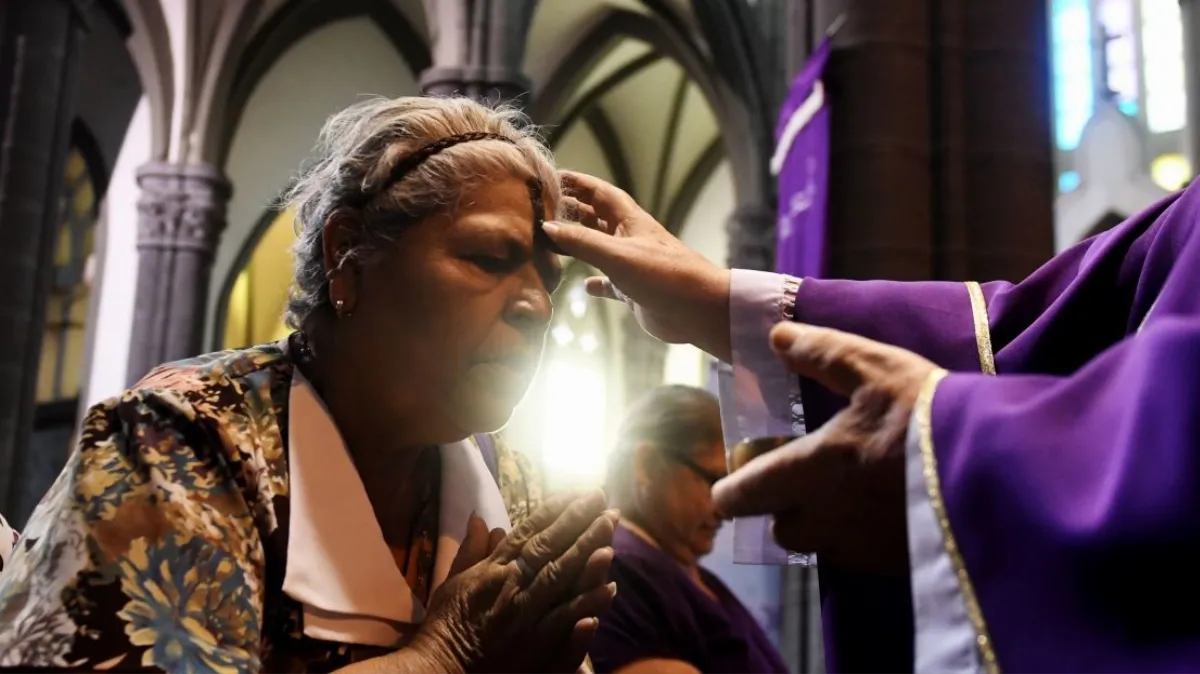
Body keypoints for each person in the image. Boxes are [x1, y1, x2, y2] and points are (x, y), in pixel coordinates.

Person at [0, 98, 620, 674]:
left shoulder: (520, 495)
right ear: (346, 252)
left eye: (549, 283)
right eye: (489, 257)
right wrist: (444, 655)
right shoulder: (180, 445)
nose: (537, 307)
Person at [543, 170, 1200, 673]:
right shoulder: (631, 568)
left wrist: (942, 455)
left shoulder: (695, 579)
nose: (720, 502)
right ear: (646, 466)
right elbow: (1051, 324)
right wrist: (725, 305)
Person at [590, 386, 787, 674]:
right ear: (647, 465)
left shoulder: (679, 571)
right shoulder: (616, 572)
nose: (725, 511)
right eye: (714, 481)